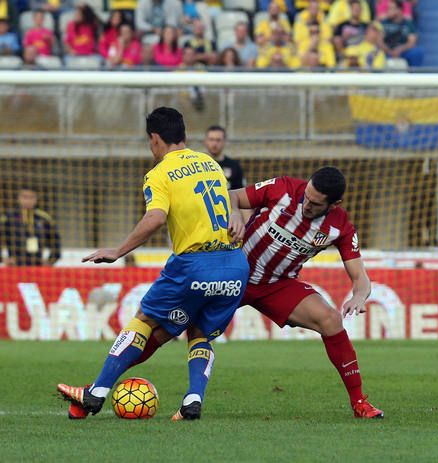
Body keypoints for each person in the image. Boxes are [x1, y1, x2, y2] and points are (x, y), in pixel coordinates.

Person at [114, 167, 385, 419]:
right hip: (234, 273)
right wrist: (234, 213)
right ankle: (99, 385)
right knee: (164, 332)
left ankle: (359, 402)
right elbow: (231, 195)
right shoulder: (283, 188)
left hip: (277, 285)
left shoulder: (340, 227)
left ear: (334, 205)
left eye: (315, 204)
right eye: (306, 197)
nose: (306, 205)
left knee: (331, 320)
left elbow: (360, 278)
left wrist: (359, 296)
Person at [57, 107, 250, 421]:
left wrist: (119, 250)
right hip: (235, 267)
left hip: (194, 265)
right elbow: (231, 199)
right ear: (184, 135)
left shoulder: (159, 173)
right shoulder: (211, 162)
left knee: (145, 319)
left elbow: (155, 218)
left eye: (150, 141)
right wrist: (237, 216)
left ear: (156, 138)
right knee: (200, 332)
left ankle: (96, 392)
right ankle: (192, 399)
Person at [0, 186, 61, 266]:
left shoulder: (44, 218)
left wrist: (51, 260)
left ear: (36, 199)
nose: (28, 201)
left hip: (38, 265)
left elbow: (55, 240)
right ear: (18, 198)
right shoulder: (8, 218)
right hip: (15, 266)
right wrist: (3, 259)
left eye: (31, 197)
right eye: (24, 197)